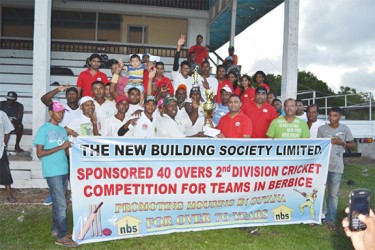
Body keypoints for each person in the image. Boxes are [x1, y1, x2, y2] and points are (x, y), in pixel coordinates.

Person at [33, 102, 77, 247]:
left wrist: (69, 146)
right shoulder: (44, 129)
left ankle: (56, 229)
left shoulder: (63, 131)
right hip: (53, 171)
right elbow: (40, 153)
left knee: (59, 202)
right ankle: (62, 237)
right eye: (58, 112)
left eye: (62, 112)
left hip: (64, 169)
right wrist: (61, 146)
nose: (61, 115)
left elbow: (63, 151)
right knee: (61, 204)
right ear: (51, 112)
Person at [317, 107, 355, 231]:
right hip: (323, 166)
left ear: (340, 117)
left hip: (337, 166)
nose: (331, 118)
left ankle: (331, 219)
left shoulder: (345, 129)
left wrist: (342, 143)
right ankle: (320, 215)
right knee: (320, 192)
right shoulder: (322, 129)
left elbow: (353, 146)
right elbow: (318, 147)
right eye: (330, 115)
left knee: (333, 194)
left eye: (335, 115)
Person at [0, 110, 16, 203]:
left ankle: (9, 194)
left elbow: (7, 130)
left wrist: (4, 144)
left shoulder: (2, 114)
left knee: (5, 172)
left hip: (0, 149)